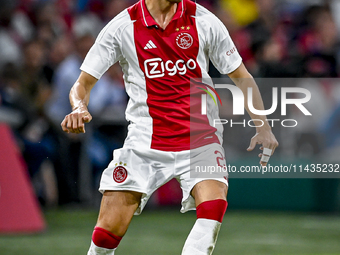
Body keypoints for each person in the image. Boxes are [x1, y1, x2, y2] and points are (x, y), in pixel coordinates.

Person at [61, 0, 278, 254]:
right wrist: (78, 107)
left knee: (213, 207)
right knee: (107, 235)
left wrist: (263, 126)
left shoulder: (204, 21)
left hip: (200, 136)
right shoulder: (122, 27)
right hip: (145, 141)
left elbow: (242, 76)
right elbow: (82, 84)